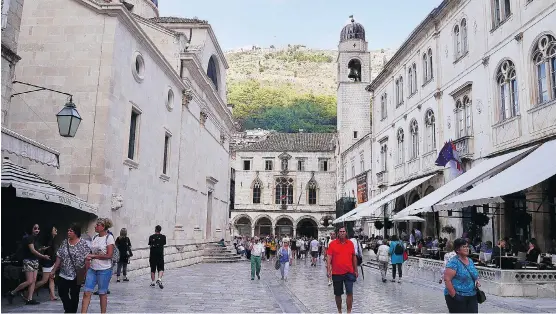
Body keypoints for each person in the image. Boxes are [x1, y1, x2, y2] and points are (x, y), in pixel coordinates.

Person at [50, 224, 90, 313]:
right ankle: (68, 310)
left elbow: (87, 259)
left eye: (71, 231)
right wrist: (54, 270)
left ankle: (72, 311)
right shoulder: (65, 242)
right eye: (68, 230)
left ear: (76, 233)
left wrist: (87, 273)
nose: (68, 232)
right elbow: (59, 256)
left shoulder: (83, 243)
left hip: (77, 274)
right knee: (61, 292)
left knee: (74, 294)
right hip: (64, 273)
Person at [8, 224, 51, 305]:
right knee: (29, 281)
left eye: (38, 228)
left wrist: (41, 249)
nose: (37, 230)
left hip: (34, 260)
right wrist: (43, 256)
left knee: (33, 280)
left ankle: (29, 299)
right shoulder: (29, 238)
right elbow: (32, 251)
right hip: (28, 261)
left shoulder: (34, 238)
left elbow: (34, 250)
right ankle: (12, 293)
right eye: (35, 228)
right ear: (31, 229)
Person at [81, 218, 116, 314]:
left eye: (97, 225)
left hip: (104, 269)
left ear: (103, 227)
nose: (95, 226)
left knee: (102, 293)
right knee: (86, 292)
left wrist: (94, 256)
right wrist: (88, 257)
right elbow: (91, 251)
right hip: (92, 268)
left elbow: (109, 255)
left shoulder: (109, 237)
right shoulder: (95, 237)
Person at [444, 238, 480, 313]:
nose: (467, 248)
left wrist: (476, 281)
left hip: (472, 295)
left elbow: (474, 274)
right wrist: (454, 296)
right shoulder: (454, 262)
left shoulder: (470, 260)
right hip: (458, 295)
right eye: (464, 247)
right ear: (457, 250)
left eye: (467, 246)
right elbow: (447, 279)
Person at [327, 227, 358, 314]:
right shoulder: (333, 244)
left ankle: (349, 312)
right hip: (337, 273)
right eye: (340, 231)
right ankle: (339, 311)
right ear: (338, 233)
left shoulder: (350, 243)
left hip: (349, 272)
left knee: (349, 292)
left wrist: (356, 270)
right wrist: (328, 269)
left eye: (344, 231)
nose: (342, 233)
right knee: (337, 294)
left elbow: (353, 257)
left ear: (346, 233)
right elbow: (329, 257)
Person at [35, 226, 58, 301]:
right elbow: (43, 250)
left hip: (51, 261)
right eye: (54, 229)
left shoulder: (53, 240)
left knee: (51, 279)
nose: (56, 230)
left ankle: (53, 296)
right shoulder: (48, 240)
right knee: (44, 280)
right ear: (50, 231)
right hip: (47, 262)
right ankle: (29, 291)